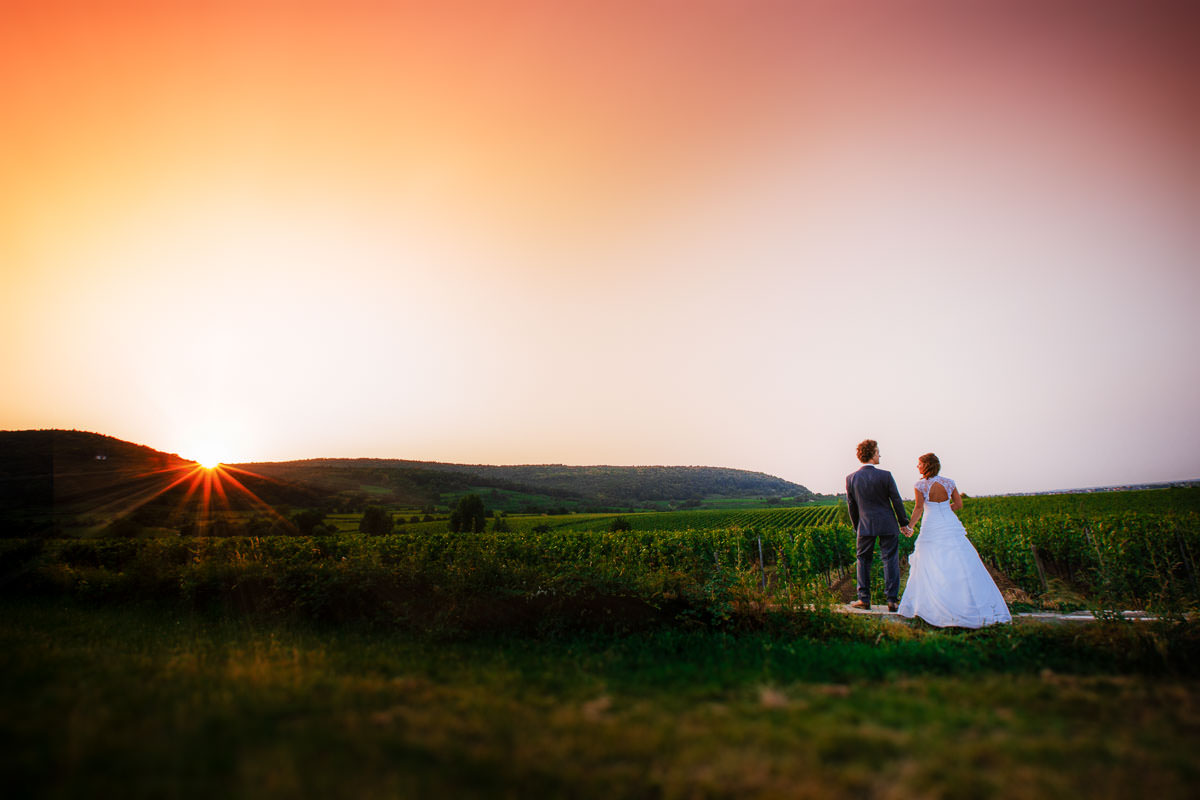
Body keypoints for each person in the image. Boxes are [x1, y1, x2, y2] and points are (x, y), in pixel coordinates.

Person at [897, 453, 1011, 627]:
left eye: (919, 464)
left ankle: (933, 605)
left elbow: (919, 508)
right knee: (961, 561)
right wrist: (945, 510)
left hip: (931, 525)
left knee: (931, 561)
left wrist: (910, 526)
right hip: (949, 523)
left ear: (926, 465)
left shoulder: (920, 485)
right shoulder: (949, 483)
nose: (917, 466)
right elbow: (958, 504)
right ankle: (969, 603)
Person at [845, 439, 911, 612]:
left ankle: (864, 599)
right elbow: (896, 501)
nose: (880, 454)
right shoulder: (886, 475)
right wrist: (904, 523)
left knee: (863, 560)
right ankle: (892, 601)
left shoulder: (851, 478)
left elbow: (852, 506)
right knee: (890, 559)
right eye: (877, 452)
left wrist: (857, 526)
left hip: (865, 525)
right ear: (872, 454)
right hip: (888, 524)